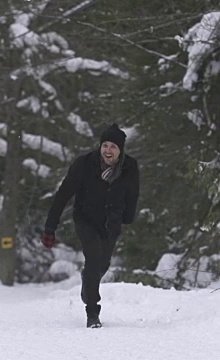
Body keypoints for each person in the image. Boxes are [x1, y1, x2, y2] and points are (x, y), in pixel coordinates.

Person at [42, 123, 140, 328]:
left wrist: (128, 218)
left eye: (113, 146)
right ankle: (92, 312)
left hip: (111, 223)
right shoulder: (84, 164)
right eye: (105, 145)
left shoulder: (130, 167)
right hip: (86, 219)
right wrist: (50, 227)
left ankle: (88, 281)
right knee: (94, 257)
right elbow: (63, 195)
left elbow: (133, 194)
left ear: (120, 150)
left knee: (102, 265)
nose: (108, 150)